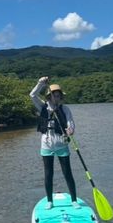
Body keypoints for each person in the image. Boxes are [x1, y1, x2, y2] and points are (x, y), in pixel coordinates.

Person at [29, 77, 79, 210]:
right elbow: (32, 95)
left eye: (59, 96)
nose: (57, 98)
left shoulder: (65, 109)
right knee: (48, 173)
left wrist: (71, 129)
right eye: (54, 96)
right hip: (47, 145)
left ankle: (74, 200)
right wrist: (40, 83)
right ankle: (50, 200)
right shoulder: (42, 107)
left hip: (61, 144)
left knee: (67, 173)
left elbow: (70, 123)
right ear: (49, 97)